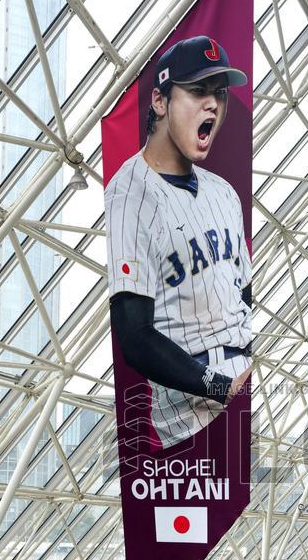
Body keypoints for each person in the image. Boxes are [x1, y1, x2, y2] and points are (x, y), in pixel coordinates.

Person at [106, 36, 252, 451]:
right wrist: (221, 387)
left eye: (219, 94)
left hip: (243, 385)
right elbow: (134, 334)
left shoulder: (224, 192)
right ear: (159, 101)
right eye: (198, 90)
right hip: (190, 406)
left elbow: (246, 294)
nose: (213, 105)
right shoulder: (129, 193)